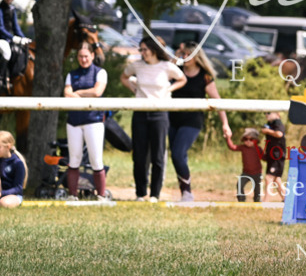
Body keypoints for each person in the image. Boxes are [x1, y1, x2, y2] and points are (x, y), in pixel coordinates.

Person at [120, 36, 187, 202]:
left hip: (159, 114)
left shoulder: (166, 66)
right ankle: (140, 192)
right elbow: (124, 77)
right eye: (141, 50)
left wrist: (168, 90)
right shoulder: (137, 65)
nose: (142, 53)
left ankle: (155, 194)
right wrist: (134, 89)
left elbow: (182, 79)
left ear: (154, 50)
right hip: (140, 112)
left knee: (158, 155)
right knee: (139, 155)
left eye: (145, 49)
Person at [170, 41, 231, 203]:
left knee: (177, 154)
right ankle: (184, 192)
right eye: (183, 54)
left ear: (197, 57)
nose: (185, 57)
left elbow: (217, 101)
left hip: (192, 121)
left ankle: (187, 192)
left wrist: (225, 124)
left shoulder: (205, 76)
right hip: (172, 119)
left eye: (188, 54)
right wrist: (175, 58)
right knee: (178, 156)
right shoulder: (176, 71)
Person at [64, 42, 108, 199]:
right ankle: (73, 195)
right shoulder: (71, 74)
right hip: (74, 121)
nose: (83, 59)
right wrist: (78, 94)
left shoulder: (100, 72)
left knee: (96, 159)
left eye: (86, 56)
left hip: (93, 120)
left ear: (92, 56)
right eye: (80, 56)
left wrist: (78, 93)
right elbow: (67, 93)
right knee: (74, 159)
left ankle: (101, 195)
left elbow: (97, 92)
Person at [0, 0, 29, 88]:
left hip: (8, 39)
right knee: (6, 51)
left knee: (20, 50)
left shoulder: (12, 9)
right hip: (1, 38)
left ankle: (13, 76)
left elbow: (16, 27)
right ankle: (1, 78)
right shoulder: (0, 9)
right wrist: (12, 38)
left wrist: (23, 38)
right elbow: (0, 28)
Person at [225, 128, 264, 202]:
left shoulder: (258, 149)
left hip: (257, 173)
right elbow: (232, 147)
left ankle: (257, 200)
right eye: (246, 139)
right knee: (240, 184)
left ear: (256, 140)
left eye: (251, 139)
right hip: (246, 173)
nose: (248, 141)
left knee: (257, 188)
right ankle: (241, 200)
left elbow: (265, 158)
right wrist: (228, 138)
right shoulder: (243, 148)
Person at [261, 111, 287, 202]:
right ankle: (286, 199)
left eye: (269, 112)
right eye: (265, 113)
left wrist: (267, 131)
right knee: (276, 179)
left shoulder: (278, 123)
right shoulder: (270, 124)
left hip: (277, 155)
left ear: (277, 114)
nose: (266, 114)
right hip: (272, 155)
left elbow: (279, 134)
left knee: (269, 177)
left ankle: (266, 202)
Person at [0, 130, 25, 208]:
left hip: (13, 196)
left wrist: (2, 193)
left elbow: (18, 188)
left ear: (8, 147)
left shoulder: (17, 163)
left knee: (4, 203)